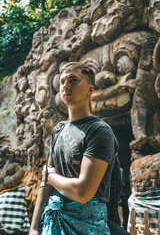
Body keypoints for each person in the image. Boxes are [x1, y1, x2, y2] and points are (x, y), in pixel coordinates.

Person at [29, 62, 119, 235]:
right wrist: (34, 228)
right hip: (52, 223)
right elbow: (44, 185)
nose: (66, 86)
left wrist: (50, 176)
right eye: (62, 82)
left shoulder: (99, 131)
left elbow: (83, 192)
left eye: (73, 80)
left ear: (90, 90)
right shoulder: (58, 130)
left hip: (88, 226)